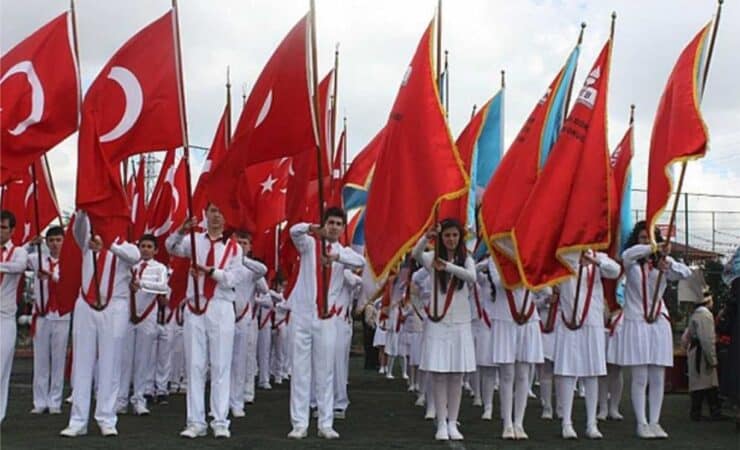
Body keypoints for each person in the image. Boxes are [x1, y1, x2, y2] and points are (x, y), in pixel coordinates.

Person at [166, 203, 247, 439]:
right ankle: (195, 421)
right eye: (212, 211)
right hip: (196, 306)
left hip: (221, 306)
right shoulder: (195, 240)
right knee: (195, 365)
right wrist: (181, 230)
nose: (216, 216)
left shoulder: (234, 248)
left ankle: (220, 420)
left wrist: (210, 271)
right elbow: (171, 247)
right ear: (205, 214)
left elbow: (233, 278)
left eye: (220, 211)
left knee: (221, 365)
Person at [287, 207, 365, 440]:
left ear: (342, 229)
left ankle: (325, 422)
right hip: (303, 315)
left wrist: (336, 257)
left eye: (338, 224)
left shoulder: (343, 253)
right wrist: (313, 229)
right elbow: (294, 232)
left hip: (327, 318)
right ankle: (299, 423)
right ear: (323, 225)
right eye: (329, 222)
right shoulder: (310, 245)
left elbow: (360, 261)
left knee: (326, 371)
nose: (333, 227)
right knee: (301, 371)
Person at [60, 212, 141, 437]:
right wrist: (82, 211)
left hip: (114, 306)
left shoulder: (126, 247)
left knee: (110, 363)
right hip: (86, 304)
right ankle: (78, 420)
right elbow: (77, 232)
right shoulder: (89, 241)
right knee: (83, 363)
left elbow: (134, 257)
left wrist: (109, 244)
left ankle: (106, 417)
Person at [614, 221, 691, 439]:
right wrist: (651, 248)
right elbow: (627, 255)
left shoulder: (661, 262)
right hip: (637, 320)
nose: (646, 242)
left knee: (658, 375)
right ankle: (641, 422)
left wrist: (667, 262)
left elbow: (684, 273)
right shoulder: (632, 262)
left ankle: (655, 421)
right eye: (642, 238)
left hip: (658, 321)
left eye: (650, 238)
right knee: (640, 376)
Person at [413, 218, 476, 441]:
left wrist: (448, 266)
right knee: (439, 374)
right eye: (447, 235)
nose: (451, 239)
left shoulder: (466, 259)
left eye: (454, 235)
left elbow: (472, 277)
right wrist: (427, 235)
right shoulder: (432, 258)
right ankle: (441, 422)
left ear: (460, 238)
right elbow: (416, 255)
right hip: (438, 323)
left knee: (456, 374)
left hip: (460, 322)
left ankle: (453, 421)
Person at [553, 250, 620, 439]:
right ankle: (566, 422)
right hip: (569, 322)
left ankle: (592, 423)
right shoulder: (564, 256)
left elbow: (614, 271)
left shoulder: (598, 257)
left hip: (592, 322)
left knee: (592, 372)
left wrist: (594, 260)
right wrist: (575, 260)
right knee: (567, 372)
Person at [117, 234, 169, 416]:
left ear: (155, 250)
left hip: (148, 317)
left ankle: (139, 399)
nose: (145, 249)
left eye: (149, 246)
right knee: (124, 360)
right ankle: (121, 399)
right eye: (142, 246)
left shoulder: (159, 268)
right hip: (127, 316)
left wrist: (141, 284)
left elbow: (162, 287)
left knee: (143, 360)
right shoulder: (130, 265)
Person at [27, 226, 69, 415]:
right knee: (41, 359)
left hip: (61, 315)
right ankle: (40, 401)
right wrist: (30, 243)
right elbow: (19, 257)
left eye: (58, 240)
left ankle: (55, 402)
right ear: (46, 242)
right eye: (51, 240)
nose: (54, 244)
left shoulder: (69, 262)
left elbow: (68, 282)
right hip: (42, 315)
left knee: (58, 359)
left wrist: (51, 276)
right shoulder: (38, 259)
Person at [230, 231, 268, 417]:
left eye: (244, 243)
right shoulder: (226, 263)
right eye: (238, 242)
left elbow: (263, 278)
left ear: (250, 246)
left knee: (244, 357)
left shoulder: (251, 269)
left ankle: (244, 394)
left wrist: (242, 259)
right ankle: (224, 398)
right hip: (226, 315)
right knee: (223, 360)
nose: (241, 245)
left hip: (245, 316)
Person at [0, 210, 29, 423]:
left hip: (4, 316)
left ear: (12, 230)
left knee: (1, 365)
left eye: (3, 227)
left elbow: (19, 267)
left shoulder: (19, 251)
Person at [684, 292, 721, 420]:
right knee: (704, 383)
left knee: (703, 383)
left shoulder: (696, 314)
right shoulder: (705, 315)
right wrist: (712, 358)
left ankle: (708, 411)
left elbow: (686, 337)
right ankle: (700, 412)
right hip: (702, 354)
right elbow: (707, 339)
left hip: (696, 351)